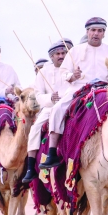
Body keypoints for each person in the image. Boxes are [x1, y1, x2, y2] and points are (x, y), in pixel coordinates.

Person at [39, 17, 108, 169]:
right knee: (57, 109)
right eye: (93, 30)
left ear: (104, 33)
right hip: (79, 89)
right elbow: (63, 72)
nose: (96, 34)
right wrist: (72, 76)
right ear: (87, 32)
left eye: (99, 31)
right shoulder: (75, 51)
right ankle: (52, 152)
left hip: (104, 89)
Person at [21, 40, 72, 182]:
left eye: (64, 53)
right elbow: (38, 95)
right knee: (35, 128)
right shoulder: (43, 72)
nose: (61, 56)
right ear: (52, 56)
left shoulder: (73, 68)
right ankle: (31, 168)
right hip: (50, 107)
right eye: (58, 54)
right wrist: (50, 97)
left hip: (71, 103)